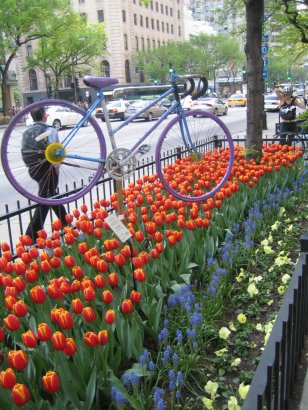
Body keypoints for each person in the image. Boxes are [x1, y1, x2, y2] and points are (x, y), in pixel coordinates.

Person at [21, 107, 67, 242]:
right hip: (48, 168)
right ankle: (31, 235)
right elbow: (56, 152)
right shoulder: (50, 130)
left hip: (33, 169)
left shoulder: (26, 131)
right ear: (43, 115)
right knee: (46, 199)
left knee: (50, 195)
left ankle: (67, 223)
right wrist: (56, 168)